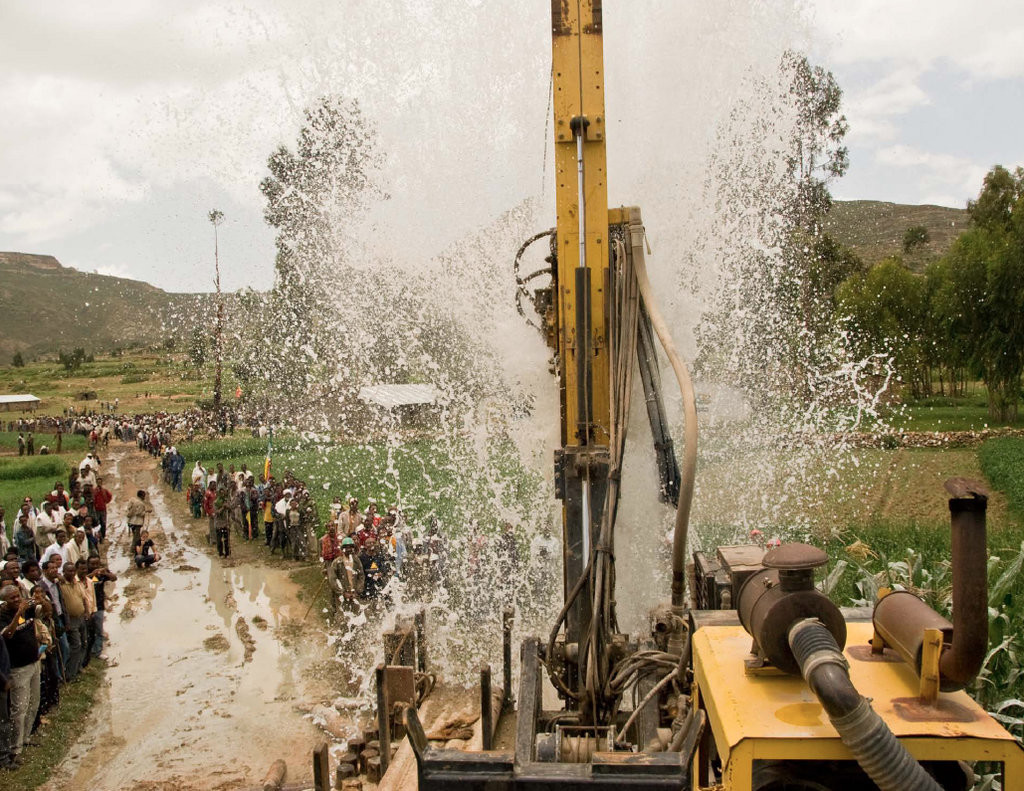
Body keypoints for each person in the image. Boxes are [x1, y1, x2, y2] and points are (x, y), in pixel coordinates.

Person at [0, 584, 40, 767]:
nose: (17, 600)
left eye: (18, 596)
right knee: (19, 710)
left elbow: (44, 611)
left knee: (34, 702)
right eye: (12, 598)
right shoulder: (2, 616)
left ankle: (25, 738)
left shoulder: (28, 607)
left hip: (34, 661)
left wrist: (41, 600)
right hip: (18, 669)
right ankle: (15, 750)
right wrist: (18, 613)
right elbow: (8, 634)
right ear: (5, 601)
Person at [57, 562, 87, 681]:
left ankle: (78, 667)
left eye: (73, 571)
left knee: (84, 643)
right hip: (71, 619)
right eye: (69, 571)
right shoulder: (60, 584)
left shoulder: (77, 582)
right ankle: (70, 674)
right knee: (76, 645)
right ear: (64, 572)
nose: (72, 573)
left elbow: (83, 598)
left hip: (81, 616)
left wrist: (86, 612)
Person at [86, 556, 116, 659]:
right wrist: (91, 575)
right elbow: (79, 581)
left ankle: (97, 652)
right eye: (92, 564)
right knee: (88, 631)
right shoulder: (84, 574)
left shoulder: (102, 574)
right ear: (88, 564)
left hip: (99, 605)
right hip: (87, 607)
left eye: (96, 564)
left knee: (99, 630)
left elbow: (114, 578)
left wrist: (105, 573)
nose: (94, 566)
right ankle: (88, 652)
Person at [328, 537, 364, 615]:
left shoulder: (357, 561)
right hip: (342, 594)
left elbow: (361, 577)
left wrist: (357, 591)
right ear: (342, 549)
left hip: (354, 594)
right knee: (343, 617)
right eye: (346, 547)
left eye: (350, 547)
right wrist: (342, 592)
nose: (348, 549)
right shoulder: (337, 562)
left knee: (356, 616)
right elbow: (333, 580)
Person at [92, 477, 112, 543]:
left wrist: (105, 502)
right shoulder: (94, 490)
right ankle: (98, 537)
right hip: (96, 509)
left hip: (103, 509)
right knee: (97, 523)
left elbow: (109, 496)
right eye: (98, 482)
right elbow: (93, 498)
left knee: (103, 523)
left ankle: (103, 537)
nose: (99, 483)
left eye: (100, 482)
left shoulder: (104, 490)